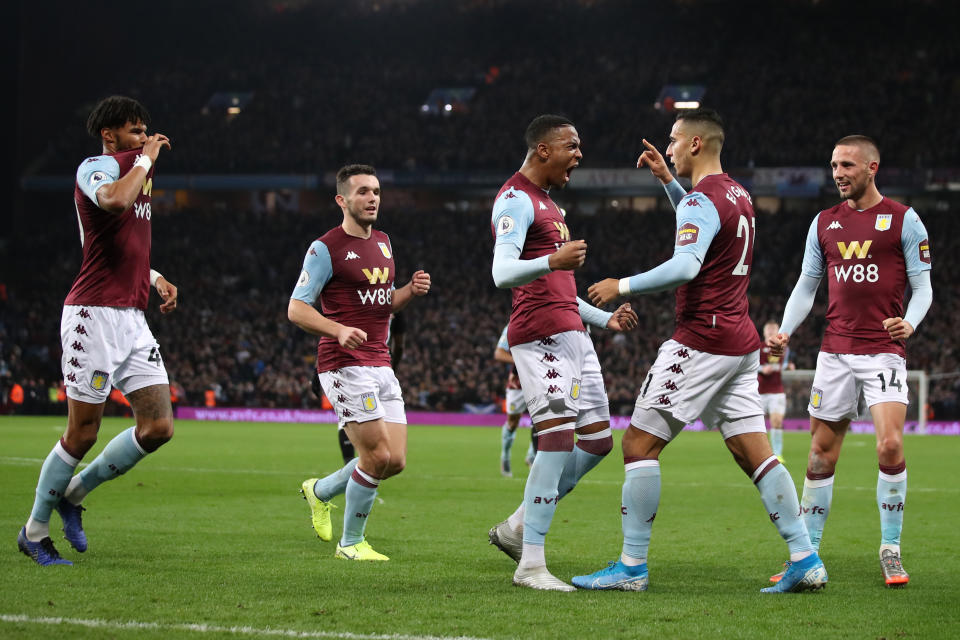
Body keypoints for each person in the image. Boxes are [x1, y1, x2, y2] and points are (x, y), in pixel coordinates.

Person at [574, 108, 825, 593]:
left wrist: (620, 285)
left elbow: (687, 264)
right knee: (754, 451)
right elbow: (700, 219)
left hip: (701, 340)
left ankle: (631, 567)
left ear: (694, 144)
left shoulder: (702, 201)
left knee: (638, 444)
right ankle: (804, 556)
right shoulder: (737, 193)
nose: (666, 147)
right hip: (739, 338)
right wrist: (669, 182)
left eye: (672, 140)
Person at [17, 96, 178, 566]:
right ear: (110, 135)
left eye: (145, 129)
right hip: (92, 315)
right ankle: (34, 530)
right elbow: (113, 203)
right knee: (82, 433)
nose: (144, 136)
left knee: (158, 427)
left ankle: (73, 494)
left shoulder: (139, 176)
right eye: (134, 130)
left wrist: (155, 277)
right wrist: (145, 159)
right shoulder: (97, 167)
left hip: (132, 317)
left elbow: (117, 246)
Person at [766, 135, 932, 587]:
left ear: (872, 167)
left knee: (890, 447)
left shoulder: (904, 220)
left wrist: (910, 323)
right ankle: (808, 555)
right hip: (835, 352)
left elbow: (924, 287)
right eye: (833, 165)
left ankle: (891, 549)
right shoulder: (823, 223)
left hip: (883, 350)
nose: (837, 173)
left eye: (847, 165)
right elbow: (806, 286)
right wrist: (786, 329)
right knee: (820, 455)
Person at [487, 114, 639, 591]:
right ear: (543, 149)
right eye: (571, 146)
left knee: (597, 443)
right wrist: (553, 258)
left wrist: (605, 320)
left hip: (574, 334)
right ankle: (530, 564)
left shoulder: (550, 205)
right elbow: (502, 272)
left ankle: (516, 527)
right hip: (538, 336)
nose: (578, 154)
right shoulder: (514, 200)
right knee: (554, 440)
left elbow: (561, 291)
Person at [291, 164, 430, 561]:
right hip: (342, 362)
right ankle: (351, 543)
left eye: (377, 192)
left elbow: (383, 305)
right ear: (342, 200)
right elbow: (296, 309)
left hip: (380, 362)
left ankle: (318, 491)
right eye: (363, 192)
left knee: (395, 461)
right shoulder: (325, 248)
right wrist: (336, 330)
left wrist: (408, 292)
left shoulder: (384, 242)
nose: (372, 198)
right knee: (376, 457)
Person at [494, 323, 536, 477]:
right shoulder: (512, 326)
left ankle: (532, 456)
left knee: (547, 418)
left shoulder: (548, 323)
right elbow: (499, 354)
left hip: (544, 378)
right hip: (518, 381)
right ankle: (505, 456)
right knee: (513, 422)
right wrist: (522, 362)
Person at [759, 320, 793, 462]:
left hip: (776, 391)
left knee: (777, 422)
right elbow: (749, 365)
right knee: (757, 425)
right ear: (765, 332)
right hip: (759, 391)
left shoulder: (785, 349)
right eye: (769, 329)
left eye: (774, 329)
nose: (772, 331)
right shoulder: (758, 347)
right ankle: (760, 454)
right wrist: (761, 369)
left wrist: (788, 366)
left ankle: (777, 454)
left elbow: (781, 365)